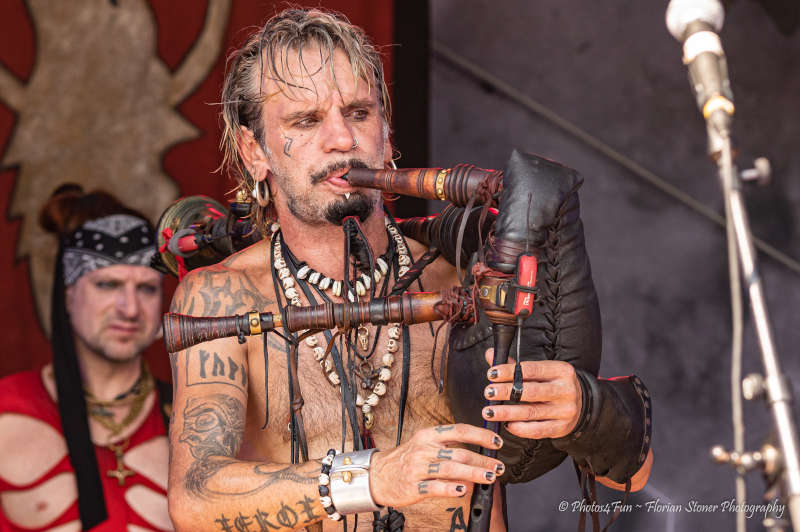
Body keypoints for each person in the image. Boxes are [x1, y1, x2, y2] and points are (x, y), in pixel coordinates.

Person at [167, 8, 653, 531]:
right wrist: (373, 477)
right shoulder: (222, 298)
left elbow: (632, 475)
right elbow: (193, 499)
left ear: (386, 129)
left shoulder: (466, 278)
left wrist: (584, 412)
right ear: (254, 151)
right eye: (306, 121)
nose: (341, 139)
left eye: (358, 112)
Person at [0, 185, 173, 531]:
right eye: (108, 285)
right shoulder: (6, 407)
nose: (130, 308)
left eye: (146, 288)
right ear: (68, 295)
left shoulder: (196, 421)